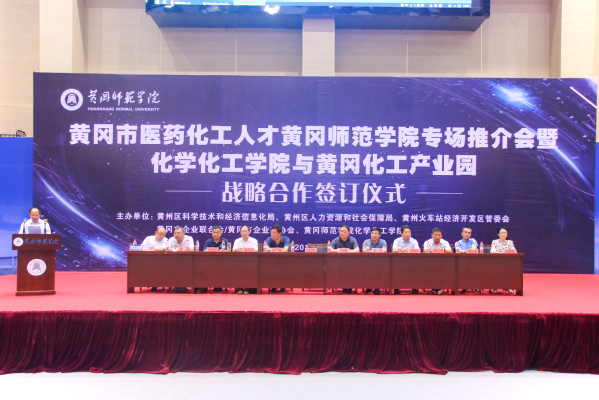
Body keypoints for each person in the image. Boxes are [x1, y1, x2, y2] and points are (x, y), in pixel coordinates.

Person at [330, 225, 359, 293]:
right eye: (341, 231)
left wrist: (347, 250)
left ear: (348, 233)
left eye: (344, 232)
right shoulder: (335, 240)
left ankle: (349, 286)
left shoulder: (353, 240)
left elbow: (357, 250)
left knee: (350, 269)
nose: (342, 233)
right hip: (338, 263)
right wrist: (339, 250)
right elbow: (330, 250)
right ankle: (344, 286)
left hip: (351, 262)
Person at [392, 225, 420, 294]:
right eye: (406, 232)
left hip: (412, 262)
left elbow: (417, 250)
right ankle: (396, 287)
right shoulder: (397, 241)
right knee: (396, 268)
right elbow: (394, 250)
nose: (408, 234)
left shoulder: (414, 241)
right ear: (401, 234)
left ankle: (414, 287)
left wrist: (409, 251)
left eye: (409, 232)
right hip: (399, 262)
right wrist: (402, 250)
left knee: (416, 268)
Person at [423, 227, 452, 295]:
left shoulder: (445, 242)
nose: (437, 237)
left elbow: (450, 251)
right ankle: (436, 288)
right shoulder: (427, 242)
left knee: (440, 268)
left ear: (441, 236)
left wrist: (442, 251)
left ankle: (437, 288)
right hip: (429, 263)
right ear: (432, 235)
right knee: (433, 268)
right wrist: (435, 251)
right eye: (435, 235)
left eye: (439, 235)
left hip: (442, 263)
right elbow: (425, 251)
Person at [140, 227, 169, 292]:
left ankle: (156, 284)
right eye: (160, 234)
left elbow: (166, 248)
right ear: (155, 233)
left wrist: (156, 250)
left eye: (163, 235)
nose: (162, 236)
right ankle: (152, 283)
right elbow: (142, 248)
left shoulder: (166, 240)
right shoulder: (148, 239)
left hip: (161, 261)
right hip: (148, 260)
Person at [490, 227, 517, 295]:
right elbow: (492, 251)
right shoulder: (495, 242)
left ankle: (508, 286)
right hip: (496, 262)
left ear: (507, 234)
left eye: (505, 233)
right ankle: (495, 287)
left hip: (508, 262)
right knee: (497, 270)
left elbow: (514, 251)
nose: (503, 234)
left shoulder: (510, 242)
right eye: (501, 233)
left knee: (509, 269)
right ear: (498, 234)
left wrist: (501, 252)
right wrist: (504, 252)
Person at [232, 225, 259, 294]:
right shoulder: (237, 241)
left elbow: (256, 250)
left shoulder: (253, 240)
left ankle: (247, 287)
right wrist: (238, 249)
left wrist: (246, 249)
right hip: (239, 261)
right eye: (242, 231)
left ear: (249, 232)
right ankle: (239, 287)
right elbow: (233, 250)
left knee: (250, 268)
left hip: (251, 261)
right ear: (240, 232)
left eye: (245, 231)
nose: (244, 233)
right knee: (237, 268)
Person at [265, 224, 290, 293]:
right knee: (272, 267)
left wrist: (273, 249)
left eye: (274, 233)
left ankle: (282, 285)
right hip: (272, 261)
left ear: (279, 234)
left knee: (282, 267)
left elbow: (285, 250)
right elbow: (266, 249)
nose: (272, 234)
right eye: (271, 233)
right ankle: (274, 285)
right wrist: (277, 249)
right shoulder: (269, 239)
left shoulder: (285, 239)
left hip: (284, 261)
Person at [203, 226, 229, 292]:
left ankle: (219, 285)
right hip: (210, 262)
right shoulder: (208, 242)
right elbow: (204, 251)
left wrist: (223, 251)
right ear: (212, 233)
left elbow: (228, 251)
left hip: (222, 262)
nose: (216, 234)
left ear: (221, 233)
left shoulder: (225, 241)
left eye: (217, 232)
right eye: (214, 232)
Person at [455, 227, 480, 294]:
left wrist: (463, 251)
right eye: (465, 232)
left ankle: (474, 287)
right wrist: (467, 251)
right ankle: (465, 287)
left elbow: (473, 250)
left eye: (469, 233)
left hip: (473, 261)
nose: (467, 234)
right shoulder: (458, 242)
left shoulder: (473, 240)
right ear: (462, 233)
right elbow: (459, 251)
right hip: (461, 262)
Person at [363, 228, 387, 295]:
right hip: (368, 262)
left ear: (379, 235)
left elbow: (384, 250)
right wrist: (377, 250)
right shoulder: (366, 241)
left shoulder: (383, 242)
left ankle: (377, 288)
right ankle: (369, 286)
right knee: (368, 269)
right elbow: (364, 251)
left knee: (380, 270)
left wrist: (371, 251)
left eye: (376, 234)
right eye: (372, 233)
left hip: (380, 262)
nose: (374, 235)